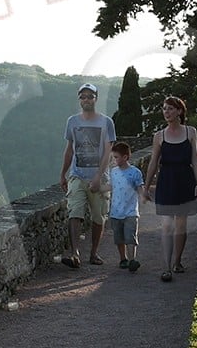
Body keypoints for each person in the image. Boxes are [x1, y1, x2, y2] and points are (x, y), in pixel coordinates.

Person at [143, 94, 197, 281]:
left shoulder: (190, 132)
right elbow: (153, 162)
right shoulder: (159, 136)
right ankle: (166, 267)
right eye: (164, 108)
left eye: (170, 108)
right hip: (166, 181)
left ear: (179, 111)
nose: (166, 112)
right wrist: (146, 186)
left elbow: (195, 159)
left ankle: (177, 261)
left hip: (185, 180)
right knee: (167, 225)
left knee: (181, 225)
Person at [58, 81, 115, 268]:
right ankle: (75, 254)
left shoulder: (106, 122)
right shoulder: (72, 121)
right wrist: (63, 174)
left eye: (90, 96)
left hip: (99, 177)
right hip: (77, 175)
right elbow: (69, 150)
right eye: (83, 96)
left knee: (99, 217)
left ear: (96, 99)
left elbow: (108, 152)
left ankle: (93, 253)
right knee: (74, 211)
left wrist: (99, 176)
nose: (86, 99)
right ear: (79, 99)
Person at [105, 141, 146, 272]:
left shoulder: (135, 172)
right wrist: (98, 189)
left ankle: (132, 259)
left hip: (130, 211)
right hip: (116, 210)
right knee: (119, 237)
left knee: (130, 236)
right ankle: (123, 258)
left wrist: (143, 195)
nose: (114, 160)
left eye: (116, 157)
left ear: (125, 157)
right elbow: (110, 186)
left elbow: (140, 186)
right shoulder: (113, 172)